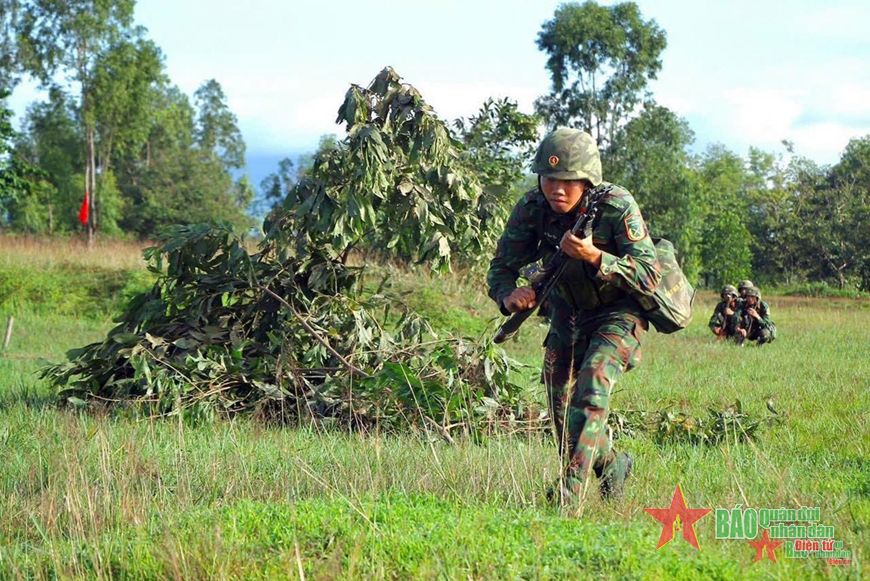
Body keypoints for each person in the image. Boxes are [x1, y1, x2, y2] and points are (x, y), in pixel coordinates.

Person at [486, 128, 661, 506]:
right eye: (549, 179)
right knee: (561, 409)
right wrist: (509, 295)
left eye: (567, 180)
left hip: (618, 311)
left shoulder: (616, 205)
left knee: (592, 387)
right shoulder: (532, 208)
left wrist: (595, 256)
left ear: (586, 181)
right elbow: (501, 267)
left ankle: (569, 496)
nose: (557, 189)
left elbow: (649, 275)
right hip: (565, 312)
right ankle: (613, 462)